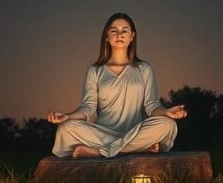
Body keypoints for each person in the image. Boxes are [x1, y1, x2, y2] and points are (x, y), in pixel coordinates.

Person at [47, 12, 187, 159]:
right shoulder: (95, 71)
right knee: (65, 128)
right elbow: (88, 108)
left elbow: (151, 106)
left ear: (132, 36)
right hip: (102, 133)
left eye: (125, 30)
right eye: (114, 30)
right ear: (106, 36)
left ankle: (99, 152)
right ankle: (136, 148)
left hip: (135, 131)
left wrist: (167, 112)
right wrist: (67, 116)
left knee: (168, 124)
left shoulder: (144, 69)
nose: (119, 34)